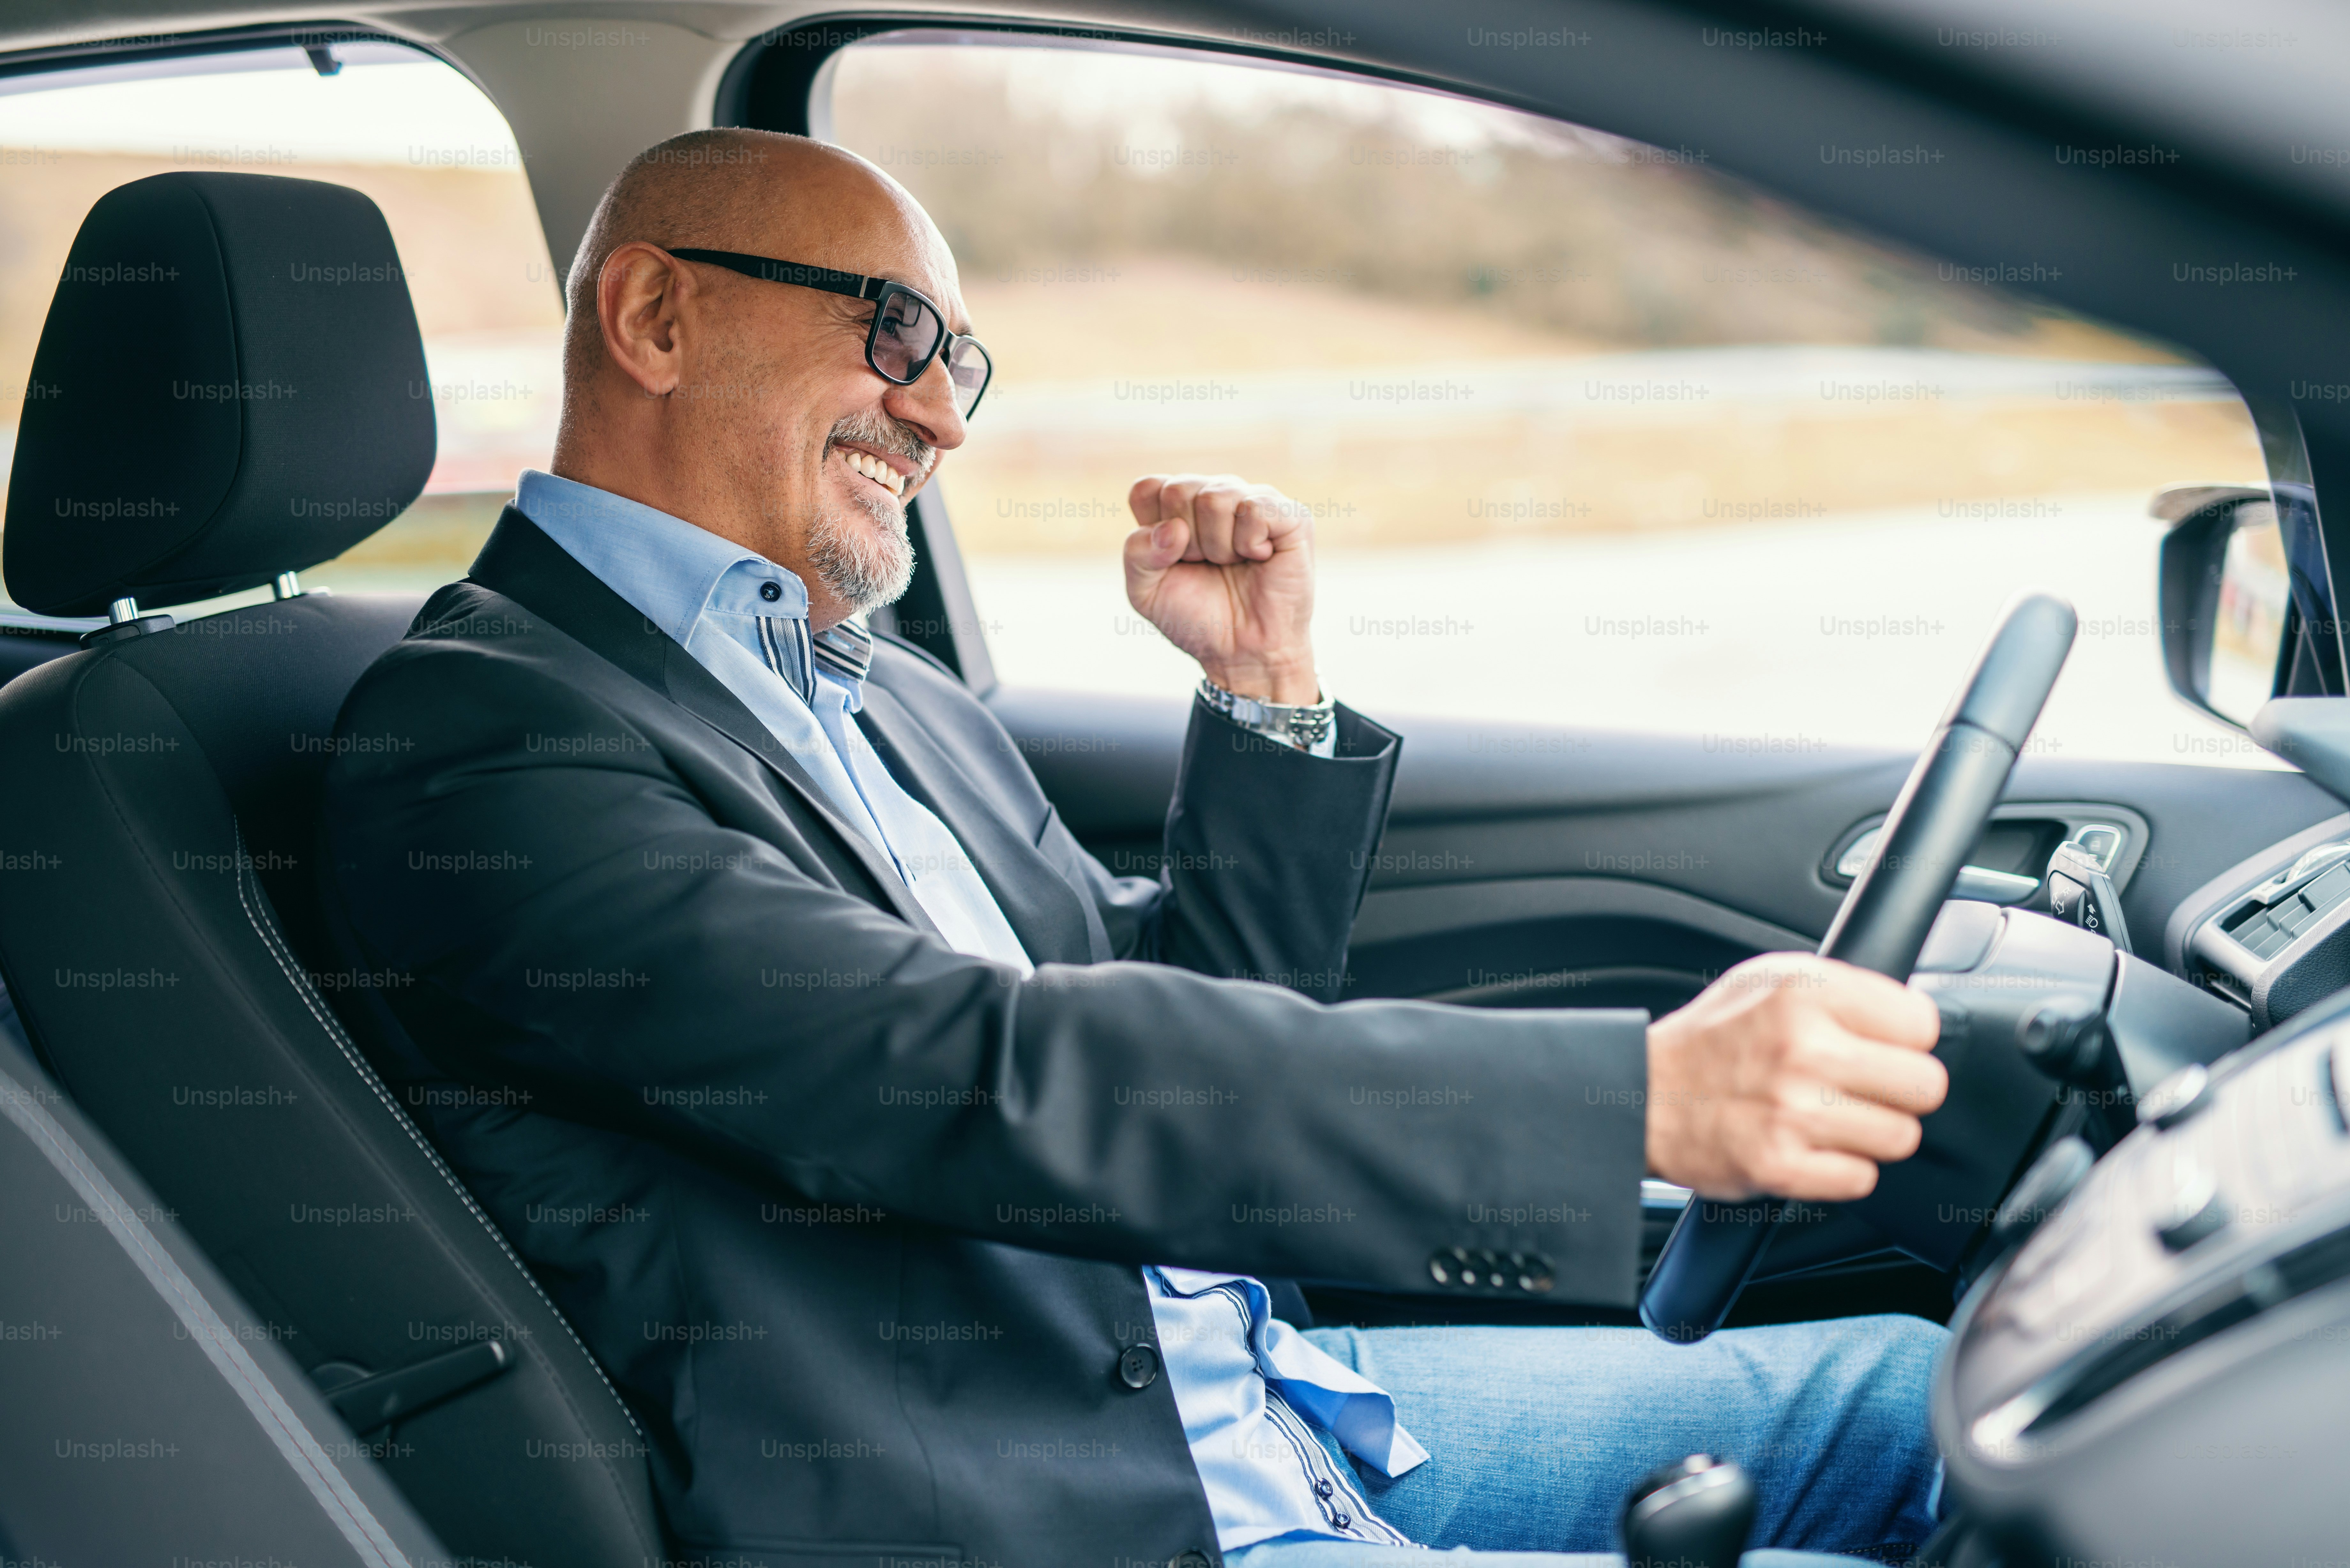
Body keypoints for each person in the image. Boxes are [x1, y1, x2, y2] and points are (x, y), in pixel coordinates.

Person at [318, 126, 1951, 1567]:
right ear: (656, 319)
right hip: (1055, 1498)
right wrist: (1628, 1105)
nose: (940, 416)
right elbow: (963, 1072)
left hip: (1254, 1402)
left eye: (960, 360)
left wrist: (1262, 694)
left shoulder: (880, 690)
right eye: (894, 332)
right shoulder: (480, 745)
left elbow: (1169, 1006)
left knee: (1930, 1394)